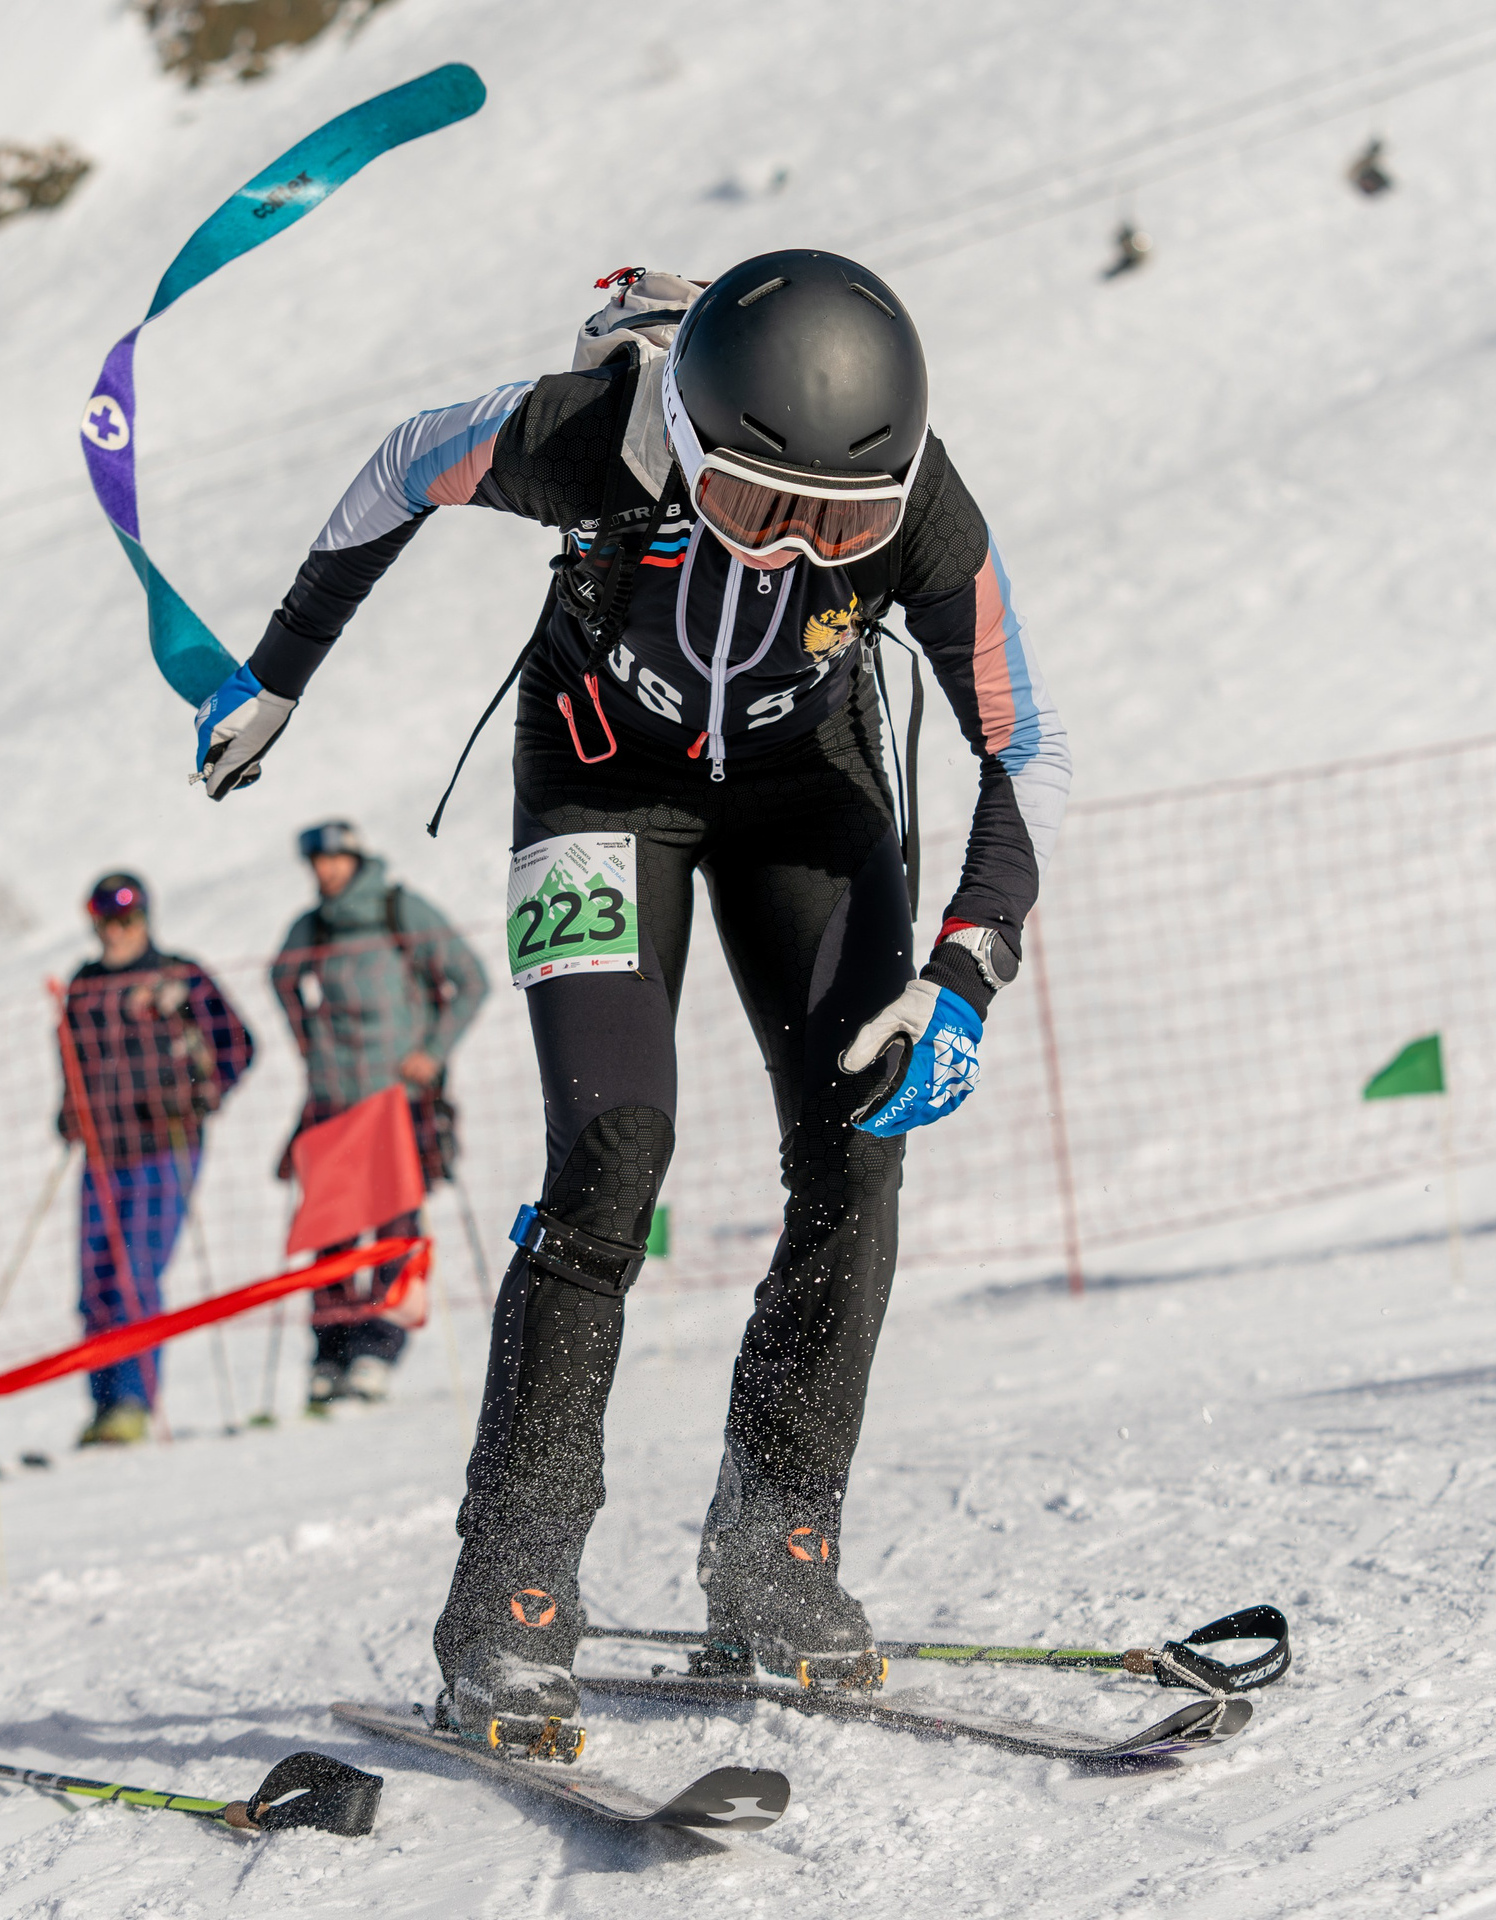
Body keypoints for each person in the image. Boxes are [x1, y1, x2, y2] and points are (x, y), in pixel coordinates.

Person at [187, 251, 1069, 1747]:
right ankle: (510, 1596)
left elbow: (1022, 747)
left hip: (812, 799)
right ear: (686, 441)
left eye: (834, 526)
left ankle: (775, 1546)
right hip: (600, 781)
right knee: (612, 1150)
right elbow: (403, 465)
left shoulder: (927, 507)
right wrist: (279, 674)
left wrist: (966, 966)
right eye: (750, 510)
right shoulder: (589, 430)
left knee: (860, 1143)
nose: (793, 555)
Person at [270, 820, 489, 1411]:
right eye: (317, 861)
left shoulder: (400, 909)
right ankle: (330, 1350)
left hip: (398, 1100)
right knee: (333, 1230)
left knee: (395, 1227)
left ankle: (379, 1346)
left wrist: (433, 1052)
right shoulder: (314, 925)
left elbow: (470, 979)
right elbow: (280, 977)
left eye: (335, 858)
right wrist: (308, 1043)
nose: (326, 870)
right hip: (335, 1101)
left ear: (355, 856)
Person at [56, 872, 253, 1446]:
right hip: (101, 1155)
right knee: (94, 1285)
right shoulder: (83, 986)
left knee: (134, 1276)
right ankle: (102, 1405)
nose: (118, 931)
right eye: (107, 921)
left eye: (129, 919)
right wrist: (68, 1109)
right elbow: (69, 1059)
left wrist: (202, 1091)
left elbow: (238, 1045)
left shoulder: (180, 977)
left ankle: (133, 1405)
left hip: (166, 1146)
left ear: (145, 918)